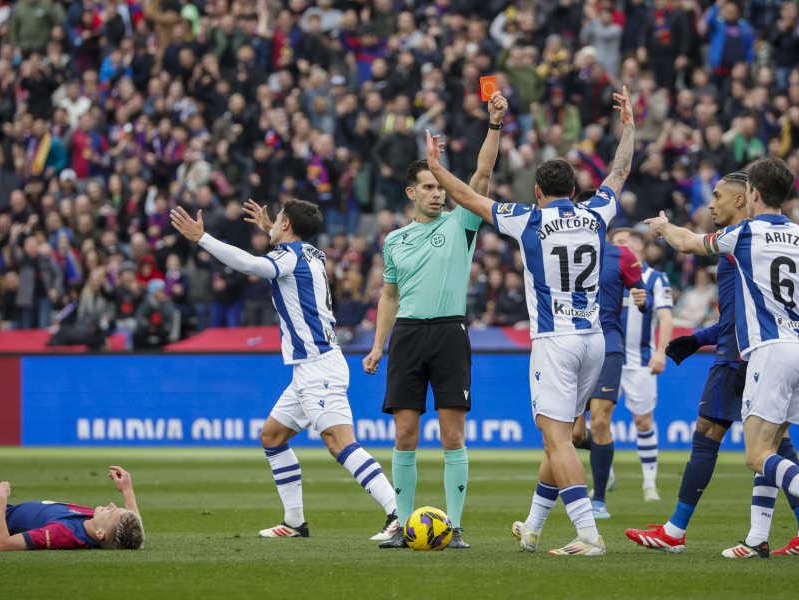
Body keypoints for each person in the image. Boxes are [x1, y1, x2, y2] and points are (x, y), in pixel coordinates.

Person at [425, 85, 636, 555]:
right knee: (556, 438)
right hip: (594, 340)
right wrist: (629, 126)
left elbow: (467, 197)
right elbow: (620, 172)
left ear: (538, 192)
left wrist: (437, 168)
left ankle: (587, 534)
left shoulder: (527, 219)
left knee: (557, 439)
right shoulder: (598, 211)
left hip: (555, 341)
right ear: (576, 191)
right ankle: (534, 527)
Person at [170, 199, 399, 541]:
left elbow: (249, 264)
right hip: (310, 369)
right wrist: (270, 230)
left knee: (339, 443)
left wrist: (203, 238)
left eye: (277, 219)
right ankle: (295, 523)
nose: (271, 222)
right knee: (272, 437)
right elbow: (286, 251)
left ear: (288, 225)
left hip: (319, 367)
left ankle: (398, 514)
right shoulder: (313, 254)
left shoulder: (289, 257)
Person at [363, 92, 509, 550]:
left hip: (449, 331)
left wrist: (494, 125)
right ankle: (404, 528)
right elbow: (389, 296)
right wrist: (377, 344)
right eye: (427, 186)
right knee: (405, 434)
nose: (437, 192)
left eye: (439, 185)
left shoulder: (461, 221)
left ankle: (456, 527)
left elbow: (482, 173)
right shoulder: (395, 240)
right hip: (407, 335)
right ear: (411, 193)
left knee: (452, 435)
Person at [627, 171, 799, 557]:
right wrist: (699, 338)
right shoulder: (790, 236)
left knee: (721, 438)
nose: (711, 202)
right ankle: (757, 538)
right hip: (778, 345)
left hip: (745, 354)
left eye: (718, 195)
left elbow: (691, 247)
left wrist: (665, 227)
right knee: (775, 444)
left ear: (746, 198)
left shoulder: (741, 241)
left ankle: (675, 530)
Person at [571, 188, 650, 520]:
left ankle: (599, 500)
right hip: (572, 344)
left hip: (608, 344)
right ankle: (605, 460)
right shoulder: (564, 249)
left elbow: (639, 290)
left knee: (600, 422)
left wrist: (642, 299)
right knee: (576, 435)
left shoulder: (623, 255)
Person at [611, 227, 674, 502]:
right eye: (613, 244)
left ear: (638, 246)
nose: (616, 248)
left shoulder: (655, 278)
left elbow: (665, 318)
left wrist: (661, 352)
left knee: (643, 421)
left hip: (639, 361)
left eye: (622, 243)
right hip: (608, 357)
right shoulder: (608, 274)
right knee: (596, 420)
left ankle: (649, 483)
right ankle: (606, 474)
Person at [0, 466, 144, 551]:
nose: (112, 504)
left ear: (100, 533)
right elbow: (136, 538)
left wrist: (1, 498)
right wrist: (127, 491)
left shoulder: (63, 534)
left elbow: (4, 544)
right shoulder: (93, 521)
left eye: (111, 512)